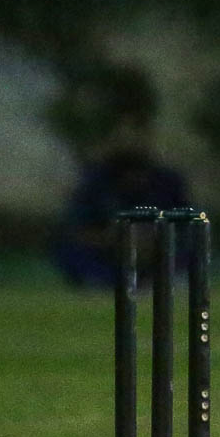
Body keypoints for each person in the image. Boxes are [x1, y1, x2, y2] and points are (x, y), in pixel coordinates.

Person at [51, 68, 192, 288]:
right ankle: (101, 282)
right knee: (69, 252)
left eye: (136, 128)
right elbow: (77, 229)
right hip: (110, 255)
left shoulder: (168, 180)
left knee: (191, 253)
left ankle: (165, 281)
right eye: (120, 129)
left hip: (156, 254)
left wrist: (152, 238)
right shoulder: (96, 181)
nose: (128, 137)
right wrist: (114, 237)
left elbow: (186, 227)